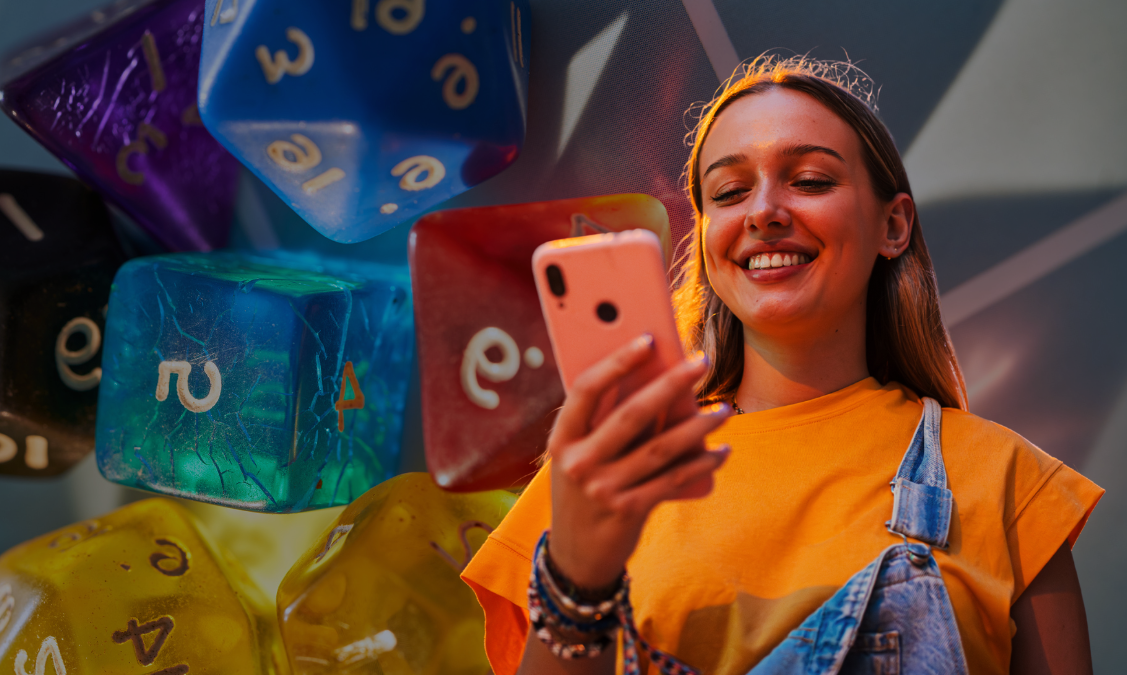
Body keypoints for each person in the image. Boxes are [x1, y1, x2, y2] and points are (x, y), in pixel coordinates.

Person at [461, 56, 1104, 675]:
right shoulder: (604, 470)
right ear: (708, 238)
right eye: (730, 191)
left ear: (894, 225)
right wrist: (577, 579)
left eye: (811, 180)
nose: (764, 212)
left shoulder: (1009, 483)